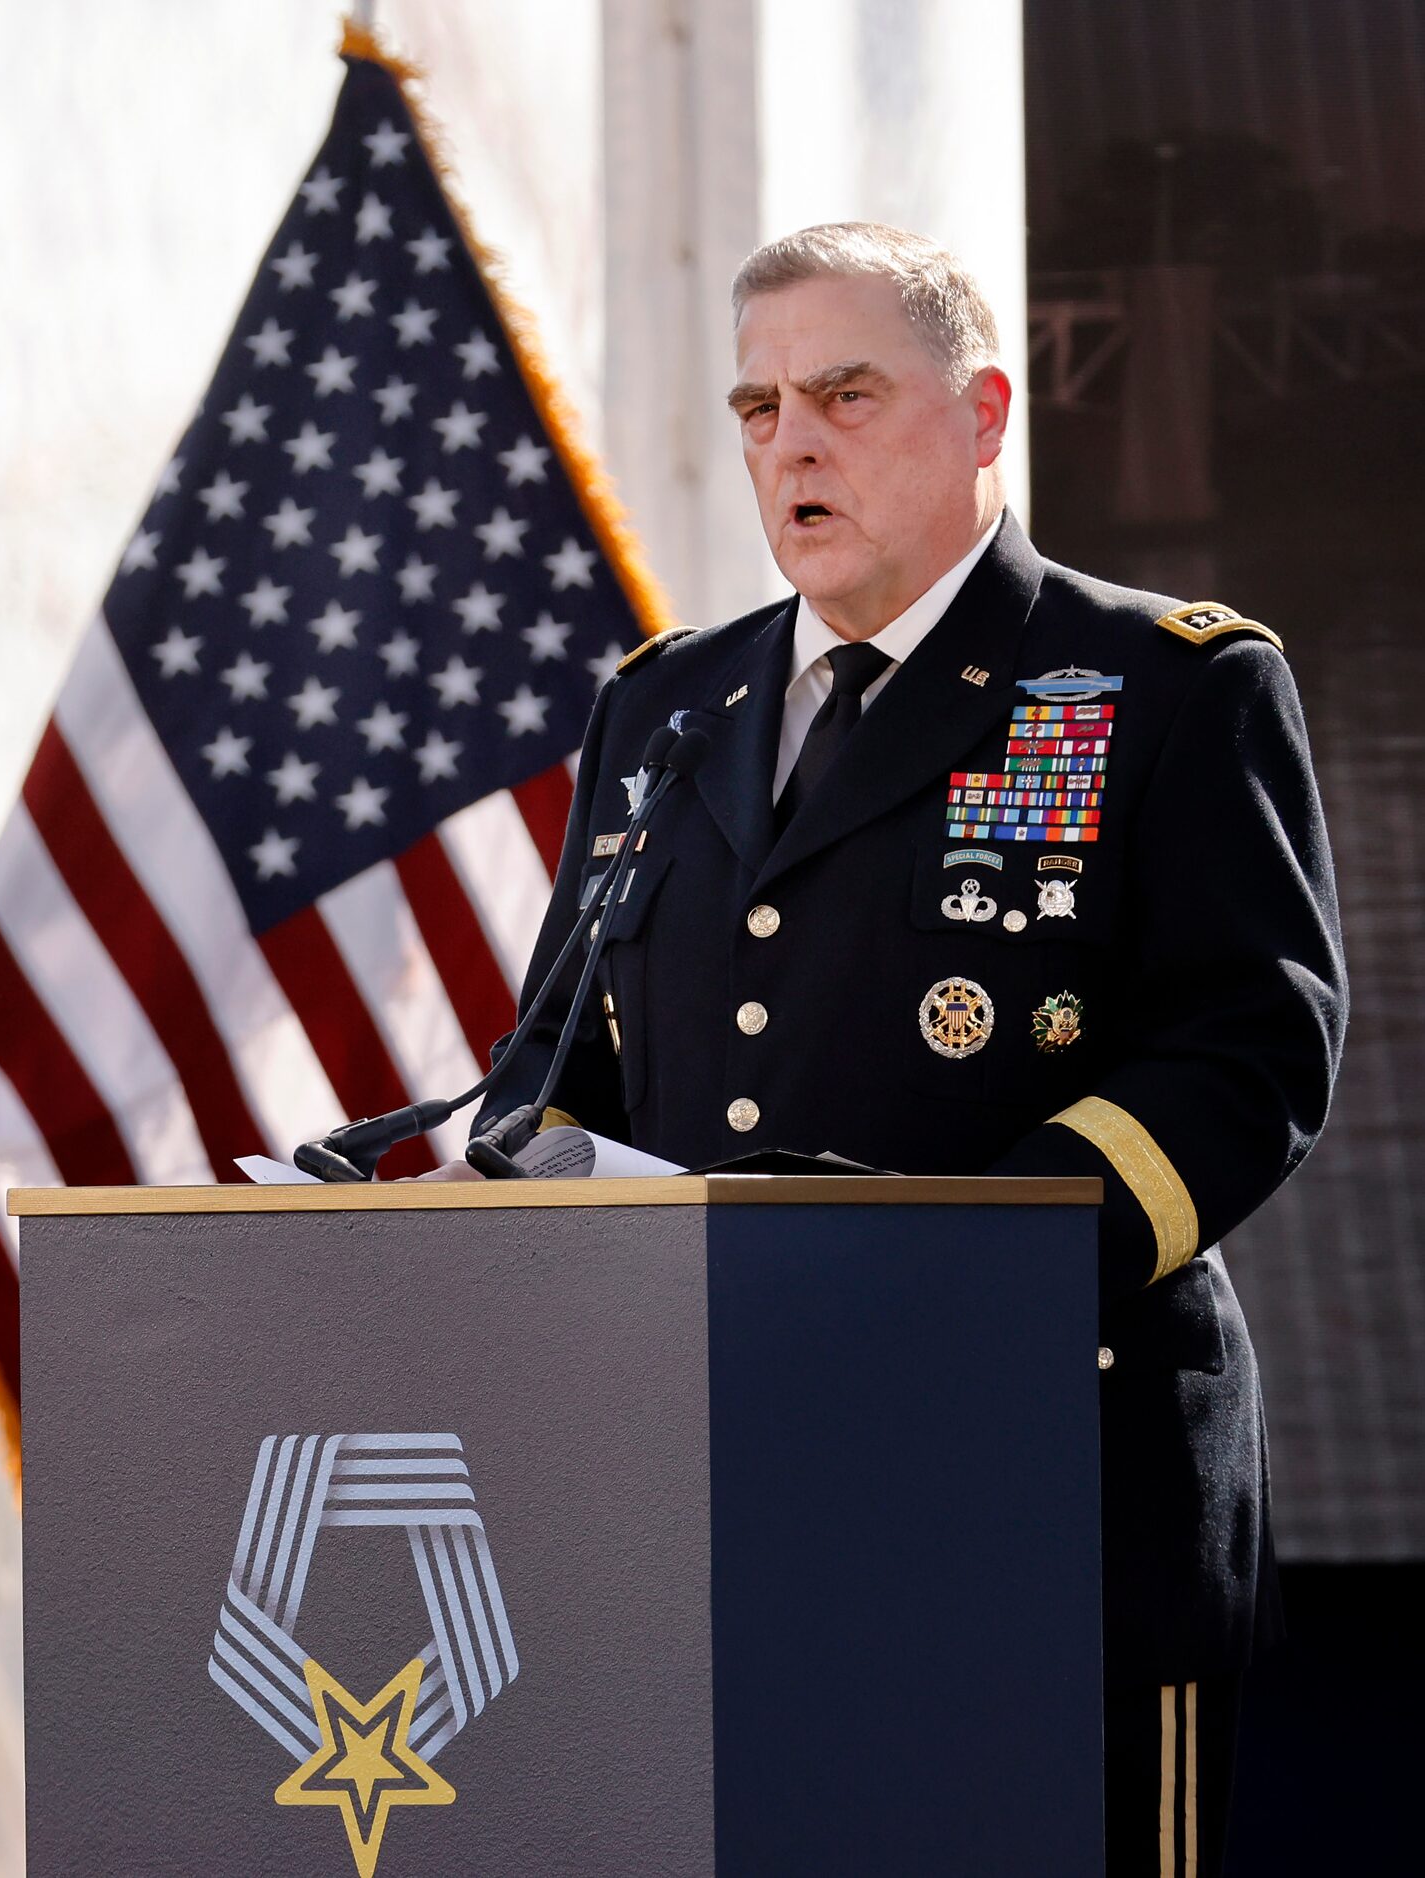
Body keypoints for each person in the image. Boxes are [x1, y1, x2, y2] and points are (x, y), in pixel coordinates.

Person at [462, 223, 1347, 1871]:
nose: (788, 441)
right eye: (756, 405)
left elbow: (1251, 1047)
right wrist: (482, 1161)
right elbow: (567, 1048)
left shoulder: (1158, 684)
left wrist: (963, 1276)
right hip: (710, 1488)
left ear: (987, 411)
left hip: (1047, 1478)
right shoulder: (665, 703)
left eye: (844, 393)